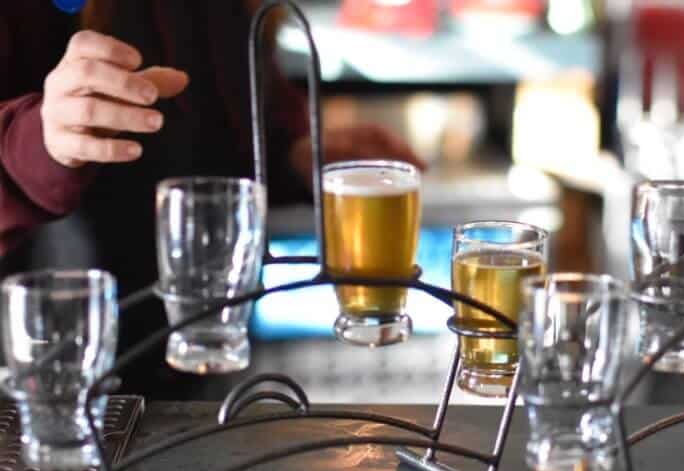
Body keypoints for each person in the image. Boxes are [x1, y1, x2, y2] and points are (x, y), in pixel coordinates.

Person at [0, 1, 423, 396]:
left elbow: (235, 110)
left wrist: (295, 151)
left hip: (207, 356)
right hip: (46, 380)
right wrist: (38, 143)